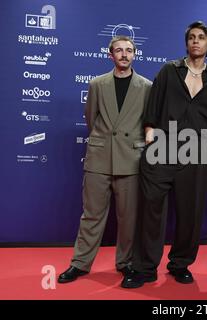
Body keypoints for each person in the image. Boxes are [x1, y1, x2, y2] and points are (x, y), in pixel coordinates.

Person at [121, 21, 207, 288]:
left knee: (190, 214)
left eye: (201, 37)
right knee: (151, 212)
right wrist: (149, 137)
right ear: (186, 43)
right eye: (191, 37)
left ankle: (180, 264)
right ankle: (145, 267)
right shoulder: (169, 70)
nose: (195, 41)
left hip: (196, 154)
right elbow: (152, 109)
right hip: (161, 151)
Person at [58, 35, 152, 283]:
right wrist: (105, 141)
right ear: (110, 55)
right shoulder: (97, 84)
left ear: (134, 54)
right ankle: (80, 263)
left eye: (129, 50)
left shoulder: (146, 86)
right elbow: (92, 119)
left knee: (129, 218)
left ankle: (126, 263)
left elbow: (147, 123)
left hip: (131, 159)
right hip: (99, 158)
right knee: (91, 215)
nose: (124, 54)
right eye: (119, 50)